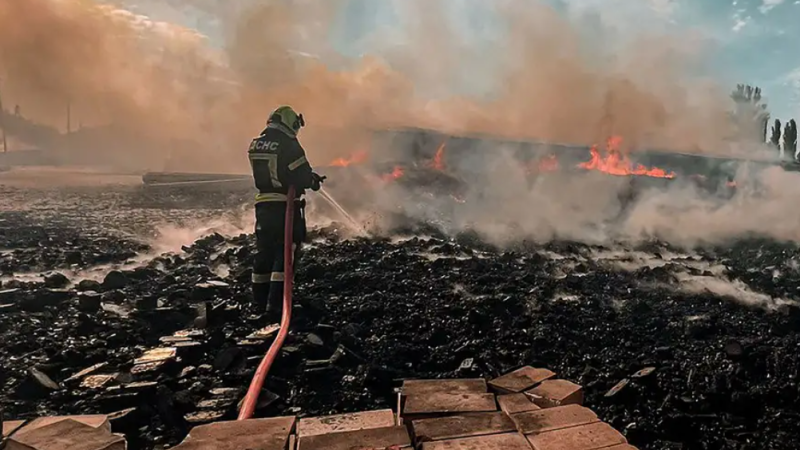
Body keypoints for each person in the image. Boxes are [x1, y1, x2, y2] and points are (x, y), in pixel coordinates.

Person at [248, 105, 325, 322]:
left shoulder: (257, 143)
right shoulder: (289, 145)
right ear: (290, 123)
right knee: (285, 253)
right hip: (286, 207)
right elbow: (300, 176)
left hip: (263, 206)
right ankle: (277, 306)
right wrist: (312, 181)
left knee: (264, 254)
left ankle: (259, 303)